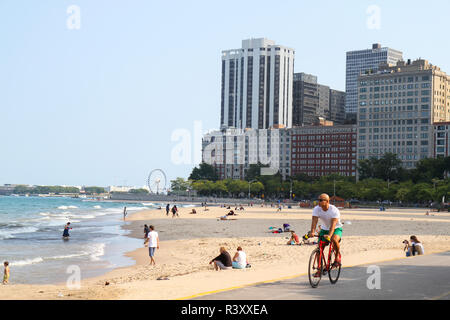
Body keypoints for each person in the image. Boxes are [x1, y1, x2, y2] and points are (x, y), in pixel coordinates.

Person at [308, 193, 343, 274]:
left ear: (327, 201)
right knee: (320, 248)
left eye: (320, 200)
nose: (318, 202)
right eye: (318, 200)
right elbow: (314, 221)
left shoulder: (334, 210)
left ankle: (337, 256)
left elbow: (333, 224)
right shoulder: (316, 209)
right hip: (324, 229)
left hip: (336, 228)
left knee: (334, 239)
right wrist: (312, 231)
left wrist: (330, 235)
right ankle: (319, 269)